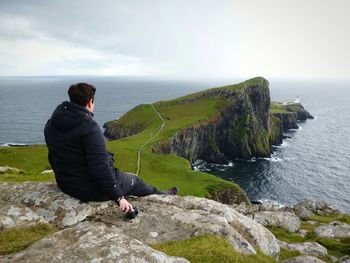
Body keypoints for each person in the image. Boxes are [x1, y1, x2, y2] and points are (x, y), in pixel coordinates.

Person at [44, 82, 178, 214]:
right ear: (90, 102)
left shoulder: (51, 124)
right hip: (90, 190)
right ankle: (162, 194)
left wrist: (63, 178)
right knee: (135, 181)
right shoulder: (89, 128)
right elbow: (100, 168)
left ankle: (160, 193)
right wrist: (119, 197)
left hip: (66, 184)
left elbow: (53, 156)